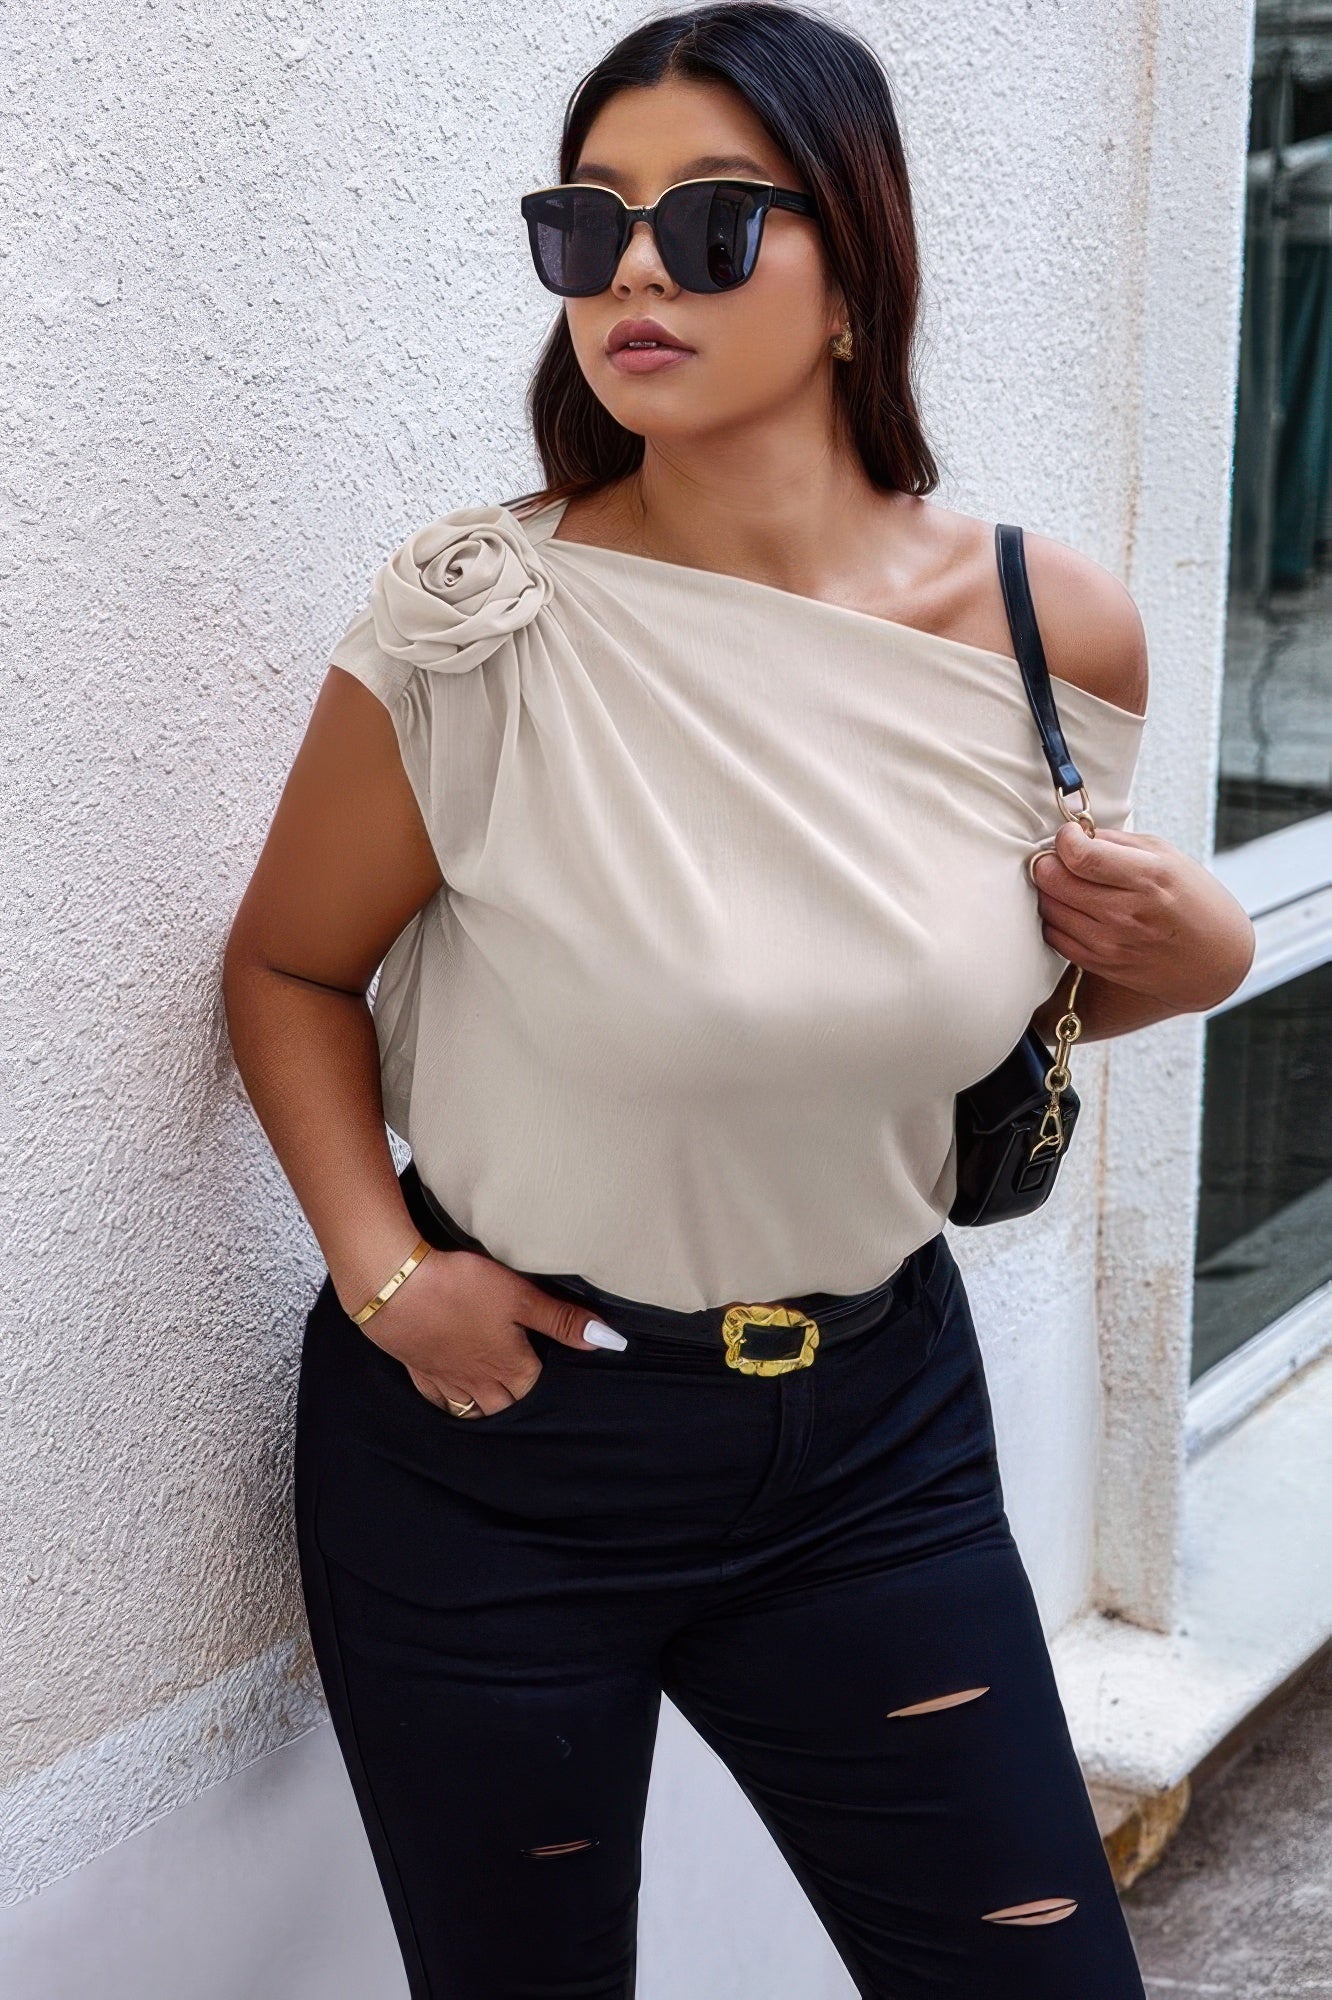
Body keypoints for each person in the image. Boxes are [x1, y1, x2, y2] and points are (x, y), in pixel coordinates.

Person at [221, 4, 1255, 1994]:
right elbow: (286, 966)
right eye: (584, 223)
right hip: (501, 1448)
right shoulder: (481, 624)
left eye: (707, 223)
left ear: (857, 274)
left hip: (875, 1441)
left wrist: (1195, 961)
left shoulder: (1045, 631)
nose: (632, 272)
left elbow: (942, 1021)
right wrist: (384, 1270)